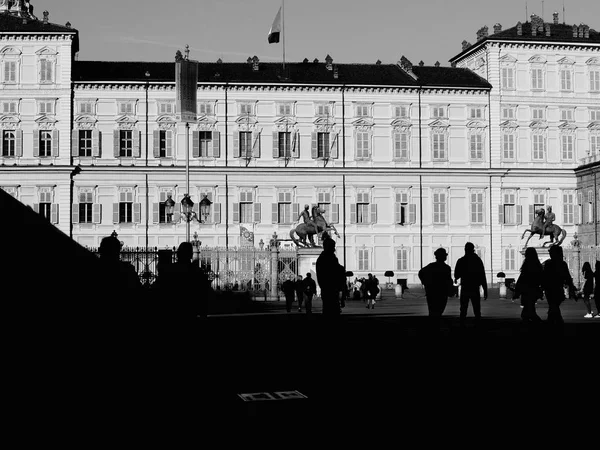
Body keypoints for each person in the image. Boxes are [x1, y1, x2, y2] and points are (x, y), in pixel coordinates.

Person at [153, 242, 213, 321]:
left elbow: (158, 290)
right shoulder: (197, 272)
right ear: (191, 255)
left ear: (178, 254)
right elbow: (206, 294)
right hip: (190, 312)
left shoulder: (170, 270)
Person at [418, 247, 454, 331]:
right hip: (442, 293)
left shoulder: (431, 266)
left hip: (432, 292)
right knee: (439, 311)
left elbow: (421, 273)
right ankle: (435, 328)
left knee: (432, 311)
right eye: (445, 255)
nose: (446, 257)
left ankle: (432, 328)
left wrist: (425, 283)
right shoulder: (446, 268)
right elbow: (449, 281)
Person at [542, 245, 577, 326]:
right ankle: (554, 322)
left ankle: (554, 323)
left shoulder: (548, 264)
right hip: (557, 289)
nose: (549, 253)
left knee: (553, 307)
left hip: (550, 289)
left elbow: (544, 277)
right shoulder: (562, 264)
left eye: (550, 252)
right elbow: (567, 277)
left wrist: (542, 287)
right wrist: (571, 287)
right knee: (553, 307)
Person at [454, 242, 488, 325]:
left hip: (465, 286)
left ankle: (462, 325)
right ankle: (478, 325)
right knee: (476, 309)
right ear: (473, 250)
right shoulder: (478, 260)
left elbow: (456, 275)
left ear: (465, 250)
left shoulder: (461, 260)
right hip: (475, 287)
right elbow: (482, 276)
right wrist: (485, 289)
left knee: (463, 309)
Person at [315, 238, 346, 317]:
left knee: (330, 310)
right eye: (333, 246)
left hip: (329, 288)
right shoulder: (327, 258)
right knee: (331, 311)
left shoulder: (326, 258)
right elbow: (333, 270)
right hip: (330, 288)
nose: (334, 249)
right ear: (327, 247)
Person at [513, 247, 543, 323]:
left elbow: (522, 279)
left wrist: (517, 292)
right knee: (530, 309)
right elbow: (541, 278)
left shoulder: (527, 264)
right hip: (534, 290)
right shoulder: (537, 264)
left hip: (526, 290)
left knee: (528, 311)